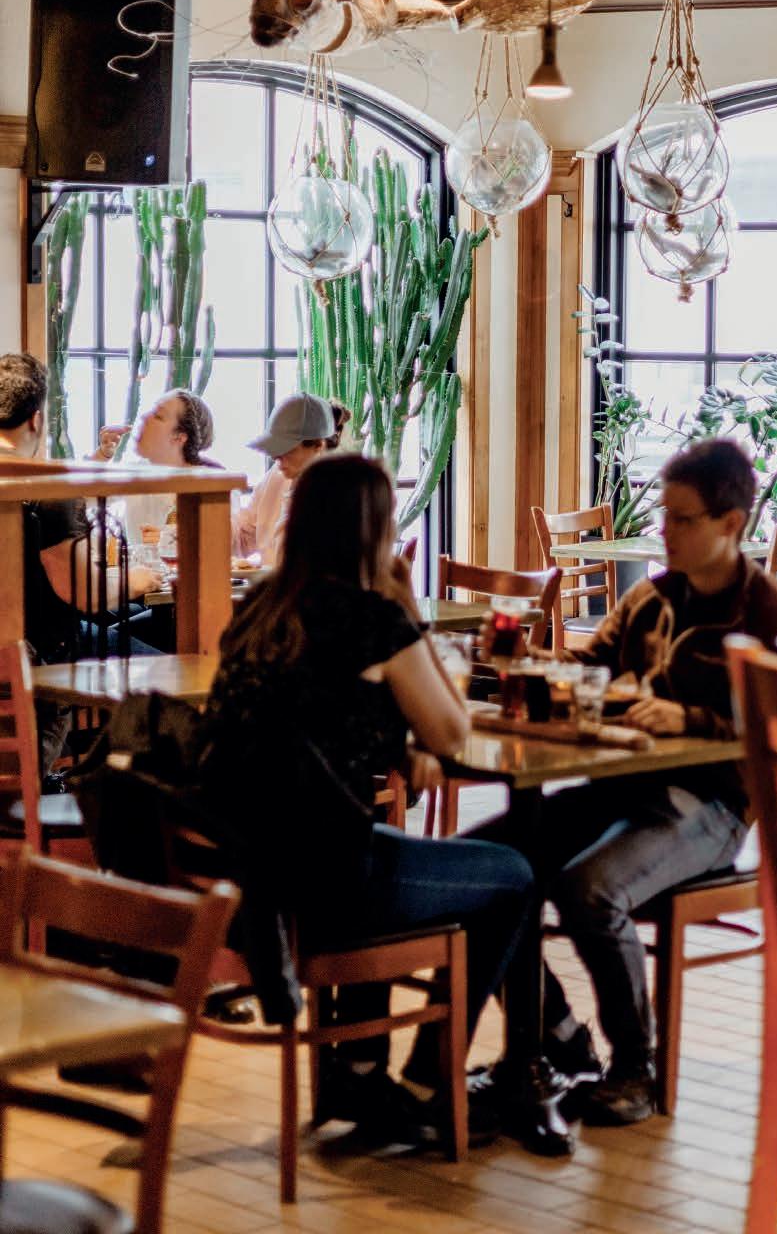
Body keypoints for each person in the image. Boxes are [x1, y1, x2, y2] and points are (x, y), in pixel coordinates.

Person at [198, 455, 566, 1152]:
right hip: (328, 879)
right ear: (371, 532)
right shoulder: (371, 619)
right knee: (515, 874)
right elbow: (452, 731)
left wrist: (397, 744)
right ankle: (431, 1080)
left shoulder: (261, 609)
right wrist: (409, 612)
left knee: (398, 845)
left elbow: (313, 715)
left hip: (252, 877)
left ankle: (364, 1071)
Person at [479, 438, 777, 1125]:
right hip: (618, 788)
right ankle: (558, 1040)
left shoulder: (769, 614)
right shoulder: (648, 599)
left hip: (712, 806)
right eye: (664, 515)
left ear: (731, 523)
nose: (665, 532)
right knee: (484, 869)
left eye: (682, 520)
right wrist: (521, 660)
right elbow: (589, 669)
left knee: (589, 890)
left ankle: (636, 1069)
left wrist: (691, 718)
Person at [0, 353, 161, 767]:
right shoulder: (47, 489)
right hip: (35, 658)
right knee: (166, 675)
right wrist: (138, 579)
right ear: (36, 419)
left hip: (15, 657)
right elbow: (86, 592)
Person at [90, 389, 217, 546]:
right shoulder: (137, 474)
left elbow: (219, 544)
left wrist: (169, 542)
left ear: (179, 437)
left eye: (158, 416)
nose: (145, 417)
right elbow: (84, 498)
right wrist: (102, 456)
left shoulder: (212, 487)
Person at [231, 393, 347, 567]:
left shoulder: (341, 495)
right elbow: (243, 534)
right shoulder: (278, 475)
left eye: (286, 449)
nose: (276, 457)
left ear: (318, 445)